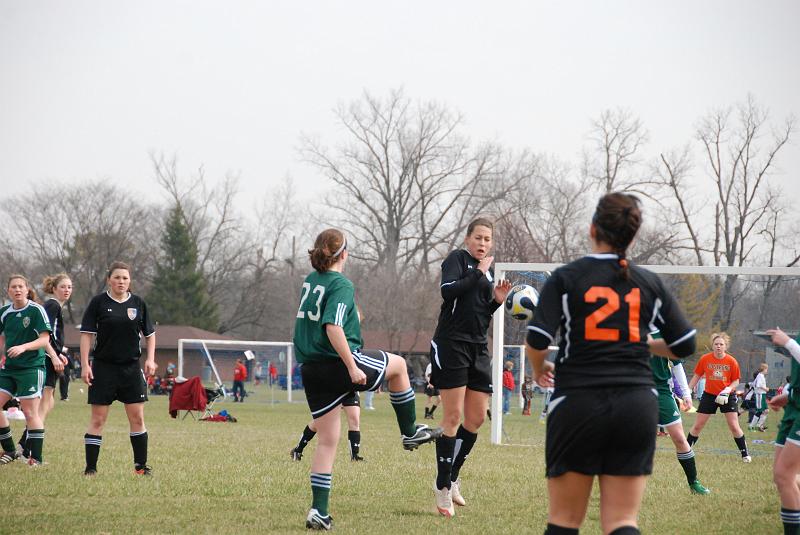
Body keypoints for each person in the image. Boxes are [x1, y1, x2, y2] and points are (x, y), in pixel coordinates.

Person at [526, 192, 697, 535]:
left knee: (563, 522)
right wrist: (642, 341)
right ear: (631, 237)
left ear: (592, 229)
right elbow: (684, 344)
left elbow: (537, 339)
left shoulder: (566, 277)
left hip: (578, 402)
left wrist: (538, 367)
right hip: (636, 405)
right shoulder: (649, 282)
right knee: (622, 523)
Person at [293, 228, 440, 530]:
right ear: (344, 254)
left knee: (328, 441)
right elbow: (333, 327)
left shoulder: (310, 282)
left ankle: (318, 511)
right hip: (336, 361)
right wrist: (351, 366)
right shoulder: (341, 283)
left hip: (311, 368)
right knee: (399, 366)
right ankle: (410, 432)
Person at [429, 217, 512, 518]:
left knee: (475, 418)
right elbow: (448, 292)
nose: (483, 243)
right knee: (452, 416)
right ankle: (440, 487)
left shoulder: (485, 274)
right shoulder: (458, 260)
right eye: (478, 238)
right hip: (451, 344)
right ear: (467, 239)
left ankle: (452, 477)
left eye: (487, 239)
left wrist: (496, 302)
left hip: (478, 348)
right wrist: (478, 274)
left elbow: (477, 313)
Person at [80, 261, 157, 476]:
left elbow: (150, 335)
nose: (121, 281)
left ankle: (140, 467)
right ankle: (91, 469)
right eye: (117, 278)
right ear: (109, 280)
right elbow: (86, 335)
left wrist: (150, 359)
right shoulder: (98, 303)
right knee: (98, 419)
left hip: (131, 369)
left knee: (137, 418)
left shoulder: (138, 304)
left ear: (130, 280)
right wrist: (86, 365)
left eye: (125, 278)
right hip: (103, 368)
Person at [17, 273, 72, 460]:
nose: (67, 290)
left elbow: (53, 336)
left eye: (70, 287)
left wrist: (60, 353)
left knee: (48, 404)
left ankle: (24, 444)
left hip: (52, 358)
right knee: (42, 406)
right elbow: (43, 335)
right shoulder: (52, 305)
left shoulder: (57, 306)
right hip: (47, 360)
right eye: (63, 287)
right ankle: (26, 449)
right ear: (54, 289)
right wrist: (54, 356)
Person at [0, 275, 53, 466]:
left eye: (20, 286)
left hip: (31, 368)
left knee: (31, 413)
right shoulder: (5, 312)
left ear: (26, 288)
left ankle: (36, 459)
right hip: (9, 369)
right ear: (8, 291)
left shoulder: (37, 310)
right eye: (13, 287)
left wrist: (23, 347)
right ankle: (10, 450)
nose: (17, 290)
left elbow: (44, 340)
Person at [650, 331, 710, 494]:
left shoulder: (663, 334)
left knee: (679, 438)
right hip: (635, 390)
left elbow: (677, 365)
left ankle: (694, 483)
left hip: (662, 391)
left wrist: (685, 394)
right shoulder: (628, 329)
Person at [687, 332, 751, 462]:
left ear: (726, 346)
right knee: (698, 425)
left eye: (721, 344)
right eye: (716, 344)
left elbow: (736, 381)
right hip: (709, 395)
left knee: (733, 425)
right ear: (712, 345)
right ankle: (685, 450)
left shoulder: (731, 361)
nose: (718, 346)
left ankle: (745, 454)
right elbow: (697, 376)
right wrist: (687, 390)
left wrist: (728, 389)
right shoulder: (705, 359)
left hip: (727, 395)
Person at [766, 328, 800, 535]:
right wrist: (788, 394)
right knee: (783, 477)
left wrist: (788, 343)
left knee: (784, 474)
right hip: (794, 407)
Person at [291, 392, 365, 462]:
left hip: (350, 388)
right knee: (320, 421)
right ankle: (298, 450)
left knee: (354, 420)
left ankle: (355, 456)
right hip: (331, 388)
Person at [749, 362, 769, 432]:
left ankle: (759, 426)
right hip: (759, 395)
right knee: (760, 411)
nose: (767, 371)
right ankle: (751, 426)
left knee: (766, 411)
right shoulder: (760, 375)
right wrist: (766, 388)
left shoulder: (761, 376)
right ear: (763, 369)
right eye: (766, 369)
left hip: (762, 395)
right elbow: (758, 385)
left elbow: (754, 383)